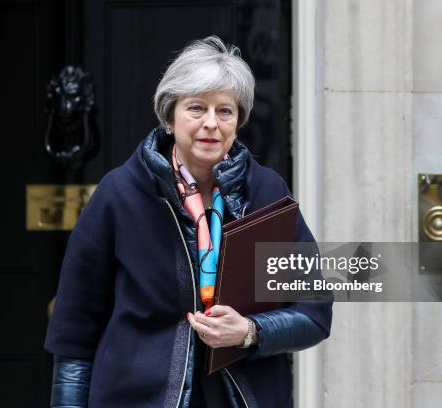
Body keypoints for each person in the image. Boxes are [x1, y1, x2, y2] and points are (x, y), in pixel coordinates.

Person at [44, 35, 333, 408]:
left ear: (238, 121)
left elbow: (313, 313)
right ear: (169, 116)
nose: (211, 123)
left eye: (225, 111)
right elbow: (74, 335)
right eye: (196, 108)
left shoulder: (266, 191)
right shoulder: (118, 193)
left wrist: (250, 331)